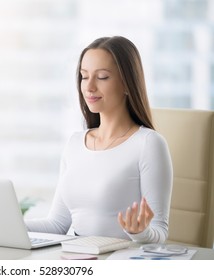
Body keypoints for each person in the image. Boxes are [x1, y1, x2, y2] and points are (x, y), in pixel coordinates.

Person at [25, 36, 173, 243]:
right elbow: (57, 225)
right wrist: (8, 225)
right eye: (84, 76)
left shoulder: (148, 144)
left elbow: (160, 232)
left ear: (127, 84)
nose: (89, 87)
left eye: (102, 77)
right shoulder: (75, 143)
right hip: (78, 258)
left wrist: (140, 232)